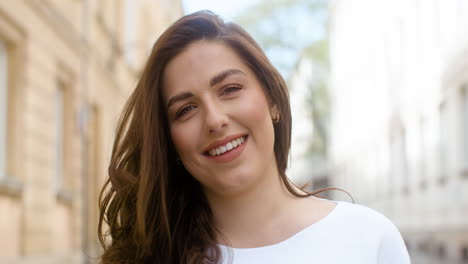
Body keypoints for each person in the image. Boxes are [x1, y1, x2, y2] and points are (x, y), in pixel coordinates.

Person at [98, 10, 411, 264]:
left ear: (272, 101)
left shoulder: (369, 239)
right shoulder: (149, 257)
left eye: (230, 89)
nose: (215, 120)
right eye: (186, 109)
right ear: (168, 141)